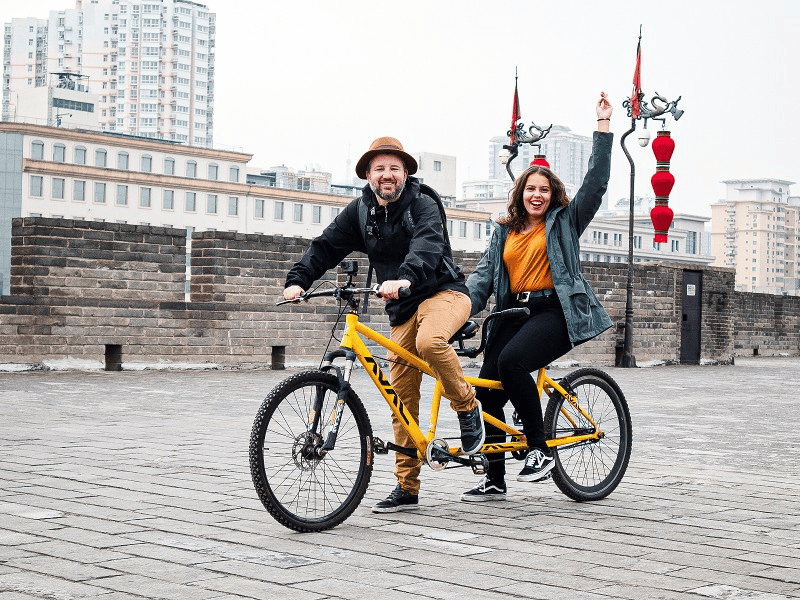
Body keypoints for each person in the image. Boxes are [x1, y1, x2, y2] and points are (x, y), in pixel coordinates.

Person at [283, 136, 485, 513]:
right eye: (380, 169)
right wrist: (299, 279)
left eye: (395, 168)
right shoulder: (360, 212)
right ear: (368, 175)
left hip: (445, 295)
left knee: (430, 341)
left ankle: (467, 406)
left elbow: (427, 245)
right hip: (403, 309)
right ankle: (407, 487)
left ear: (406, 173)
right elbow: (326, 246)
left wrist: (405, 278)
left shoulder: (423, 205)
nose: (387, 175)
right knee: (401, 398)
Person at [460, 93, 614, 502]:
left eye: (544, 189)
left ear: (552, 194)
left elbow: (596, 184)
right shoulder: (504, 231)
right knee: (487, 388)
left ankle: (539, 451)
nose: (537, 195)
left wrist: (602, 127)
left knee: (512, 363)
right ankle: (494, 479)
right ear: (520, 191)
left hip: (554, 311)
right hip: (512, 313)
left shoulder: (566, 222)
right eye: (531, 188)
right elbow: (482, 280)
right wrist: (460, 308)